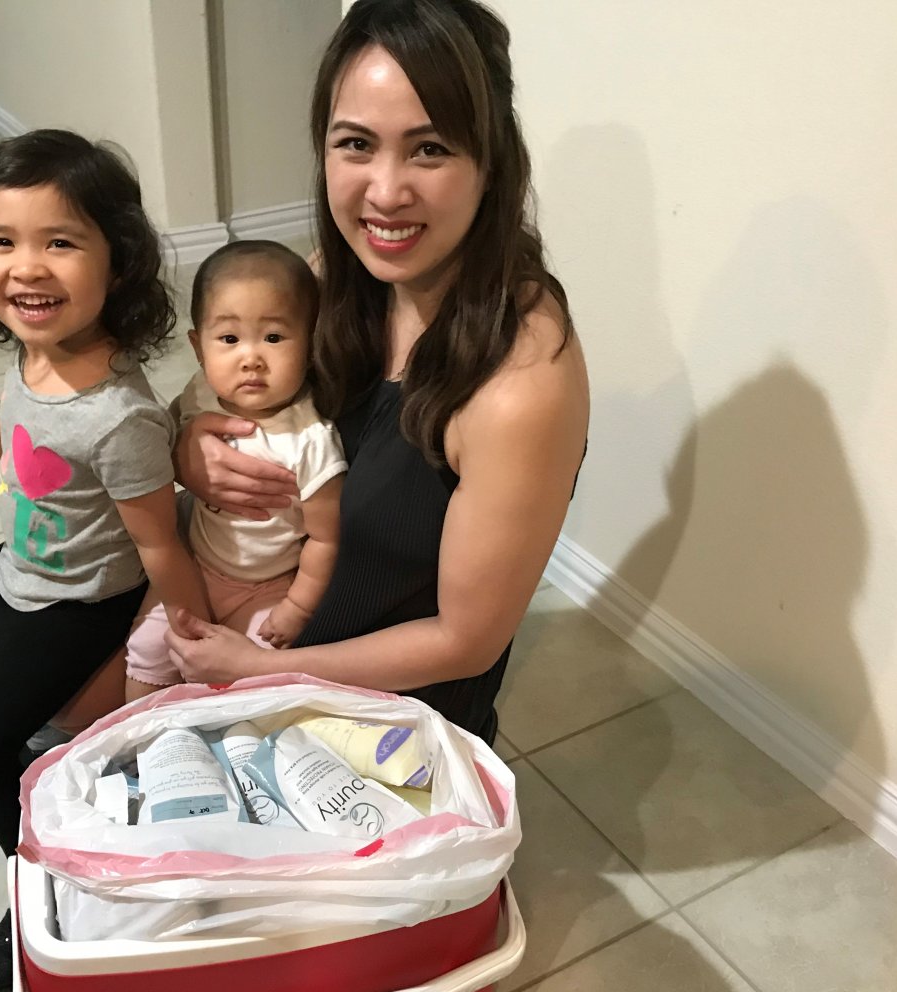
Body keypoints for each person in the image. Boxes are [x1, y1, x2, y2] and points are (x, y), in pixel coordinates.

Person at [169, 0, 590, 743]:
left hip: (382, 726)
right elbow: (232, 390)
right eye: (357, 144)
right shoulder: (337, 274)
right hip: (272, 626)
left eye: (429, 149)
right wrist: (190, 447)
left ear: (491, 161)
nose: (386, 192)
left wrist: (260, 670)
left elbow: (464, 640)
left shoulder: (522, 381)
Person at [0, 129, 208, 992]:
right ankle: (50, 732)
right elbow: (25, 431)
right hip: (26, 564)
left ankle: (42, 878)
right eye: (2, 240)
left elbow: (159, 542)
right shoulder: (36, 349)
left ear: (118, 263)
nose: (27, 268)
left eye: (61, 242)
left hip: (82, 599)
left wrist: (193, 645)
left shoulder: (120, 416)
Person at [123, 240, 346, 700]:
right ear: (198, 348)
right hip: (195, 567)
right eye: (229, 339)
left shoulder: (311, 439)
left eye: (274, 338)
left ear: (311, 344)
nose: (251, 358)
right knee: (147, 649)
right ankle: (140, 735)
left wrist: (298, 607)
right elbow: (162, 441)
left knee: (253, 681)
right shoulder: (200, 393)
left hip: (269, 587)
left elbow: (326, 538)